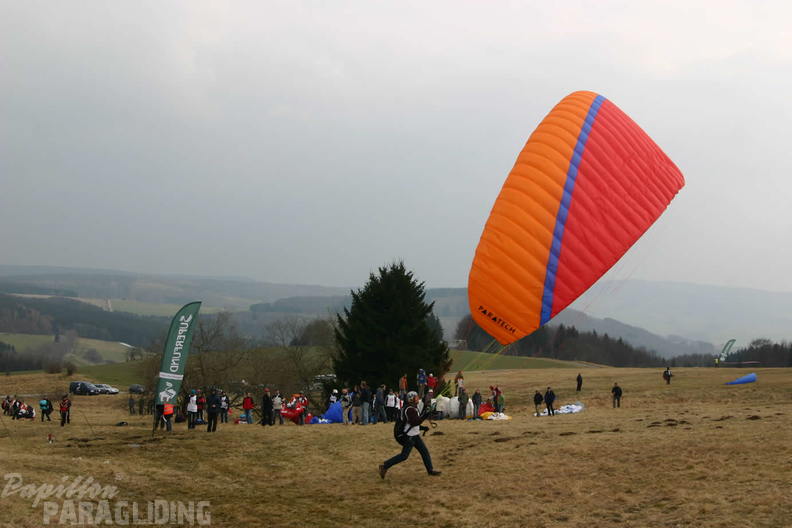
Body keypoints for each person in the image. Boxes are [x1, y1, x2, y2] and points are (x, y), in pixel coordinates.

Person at [379, 391, 441, 479]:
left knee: (424, 452)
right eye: (415, 397)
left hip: (414, 435)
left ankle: (430, 470)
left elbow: (413, 424)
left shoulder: (412, 408)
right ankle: (384, 466)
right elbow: (415, 422)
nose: (417, 398)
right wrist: (426, 413)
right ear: (411, 399)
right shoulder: (410, 409)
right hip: (410, 437)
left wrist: (423, 428)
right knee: (404, 456)